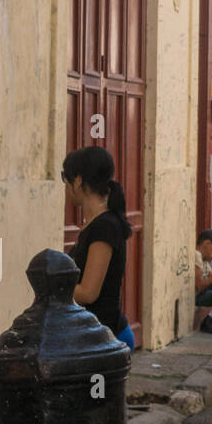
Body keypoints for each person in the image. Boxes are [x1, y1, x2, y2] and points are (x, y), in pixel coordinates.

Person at [64, 146, 135, 351]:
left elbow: (88, 293)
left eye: (65, 179)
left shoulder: (104, 227)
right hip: (92, 336)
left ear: (77, 181)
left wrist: (54, 289)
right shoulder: (94, 224)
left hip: (106, 338)